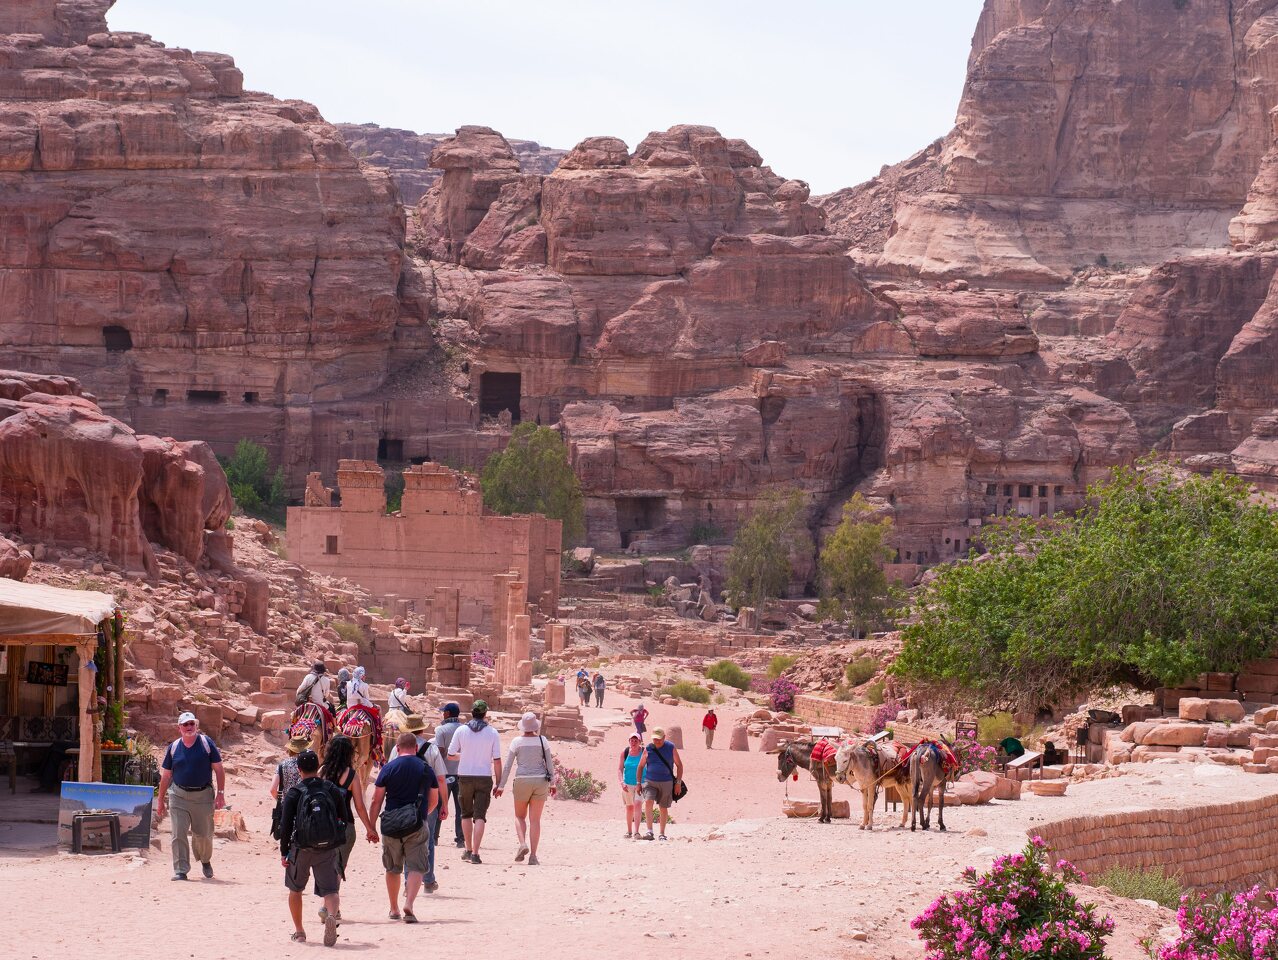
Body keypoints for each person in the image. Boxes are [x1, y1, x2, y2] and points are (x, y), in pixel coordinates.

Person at [279, 749, 347, 946]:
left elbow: (285, 826)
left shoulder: (295, 793)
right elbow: (344, 817)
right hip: (326, 848)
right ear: (318, 767)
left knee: (295, 890)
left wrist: (284, 851)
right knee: (331, 890)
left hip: (301, 848)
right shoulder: (331, 789)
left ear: (299, 769)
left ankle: (300, 932)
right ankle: (331, 915)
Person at [369, 732, 438, 924]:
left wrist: (371, 827)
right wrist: (422, 816)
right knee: (416, 866)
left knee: (392, 868)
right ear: (416, 748)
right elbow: (434, 800)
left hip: (391, 824)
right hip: (416, 823)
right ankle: (409, 903)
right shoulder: (425, 769)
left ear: (397, 748)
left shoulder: (388, 768)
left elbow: (376, 800)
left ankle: (393, 908)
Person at [156, 711, 226, 880]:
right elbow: (166, 776)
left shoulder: (206, 743)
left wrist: (220, 794)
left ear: (196, 725)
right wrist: (160, 800)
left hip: (203, 796)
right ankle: (181, 870)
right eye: (185, 724)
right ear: (179, 728)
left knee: (203, 835)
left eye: (191, 724)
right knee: (178, 833)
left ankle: (205, 860)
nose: (189, 727)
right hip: (178, 795)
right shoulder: (173, 747)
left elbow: (218, 769)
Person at [392, 715, 449, 893]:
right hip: (427, 799)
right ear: (422, 730)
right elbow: (440, 779)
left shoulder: (397, 749)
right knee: (428, 839)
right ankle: (428, 879)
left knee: (405, 839)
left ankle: (408, 881)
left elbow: (389, 773)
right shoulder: (431, 749)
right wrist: (444, 803)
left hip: (402, 800)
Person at [319, 734, 375, 906]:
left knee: (326, 865)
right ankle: (330, 906)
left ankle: (327, 903)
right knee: (338, 865)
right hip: (345, 826)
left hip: (323, 825)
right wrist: (370, 828)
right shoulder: (352, 775)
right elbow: (359, 806)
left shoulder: (321, 772)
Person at [493, 712, 556, 865]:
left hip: (521, 780)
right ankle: (533, 856)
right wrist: (553, 783)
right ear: (535, 726)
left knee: (519, 816)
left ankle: (522, 844)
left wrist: (501, 786)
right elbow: (549, 763)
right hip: (540, 780)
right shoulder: (543, 740)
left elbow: (508, 766)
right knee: (535, 820)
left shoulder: (516, 741)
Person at [447, 699, 502, 865]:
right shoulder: (492, 733)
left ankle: (468, 849)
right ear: (485, 714)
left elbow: (450, 755)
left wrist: (463, 756)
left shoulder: (462, 730)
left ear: (472, 712)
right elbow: (497, 760)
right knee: (480, 816)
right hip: (484, 777)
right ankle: (476, 854)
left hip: (464, 776)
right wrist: (499, 783)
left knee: (466, 814)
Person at [636, 727, 683, 841]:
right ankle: (649, 831)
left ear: (664, 737)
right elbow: (641, 766)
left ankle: (662, 833)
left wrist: (678, 783)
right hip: (650, 781)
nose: (656, 741)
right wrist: (638, 783)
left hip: (666, 782)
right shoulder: (648, 748)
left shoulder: (670, 747)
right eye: (654, 739)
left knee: (663, 807)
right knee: (648, 802)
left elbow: (679, 765)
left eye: (659, 739)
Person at [433, 702, 465, 849]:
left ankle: (434, 837)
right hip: (462, 773)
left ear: (447, 714)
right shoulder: (465, 729)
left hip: (444, 773)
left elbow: (440, 752)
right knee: (461, 808)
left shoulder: (441, 730)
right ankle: (460, 839)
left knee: (438, 805)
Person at [617, 733, 645, 839]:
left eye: (636, 741)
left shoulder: (643, 752)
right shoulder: (625, 752)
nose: (633, 743)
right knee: (629, 807)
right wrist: (622, 782)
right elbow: (620, 769)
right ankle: (629, 831)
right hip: (627, 784)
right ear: (629, 741)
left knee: (638, 805)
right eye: (632, 740)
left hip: (641, 784)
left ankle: (636, 832)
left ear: (639, 742)